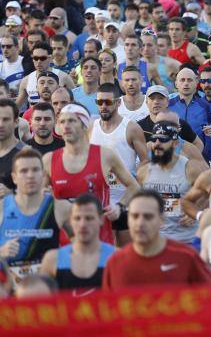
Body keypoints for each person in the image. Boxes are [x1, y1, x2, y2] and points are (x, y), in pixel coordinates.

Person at [44, 104, 141, 245]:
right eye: (62, 121)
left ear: (84, 125)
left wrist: (119, 207)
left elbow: (134, 186)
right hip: (64, 242)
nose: (66, 126)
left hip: (100, 239)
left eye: (72, 121)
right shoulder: (49, 160)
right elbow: (39, 198)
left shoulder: (105, 155)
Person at [102, 189, 211, 288]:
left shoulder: (187, 257)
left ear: (161, 220)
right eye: (134, 216)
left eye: (148, 217)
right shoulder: (115, 263)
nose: (140, 223)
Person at [0, 148, 70, 283]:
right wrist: (1, 251)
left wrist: (58, 258)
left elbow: (83, 247)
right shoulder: (2, 208)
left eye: (35, 170)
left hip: (47, 290)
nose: (30, 175)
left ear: (43, 174)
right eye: (24, 171)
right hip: (8, 293)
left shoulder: (60, 207)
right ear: (14, 177)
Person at [89, 82, 149, 238]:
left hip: (126, 201)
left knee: (125, 252)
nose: (103, 106)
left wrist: (137, 189)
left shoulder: (131, 128)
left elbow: (145, 163)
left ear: (118, 102)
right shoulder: (91, 127)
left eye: (108, 102)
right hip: (98, 202)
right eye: (99, 102)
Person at [137, 122, 208, 243]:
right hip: (156, 240)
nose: (157, 144)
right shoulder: (143, 171)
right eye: (154, 139)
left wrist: (196, 211)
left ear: (175, 143)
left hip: (187, 239)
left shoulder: (191, 168)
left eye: (163, 140)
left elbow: (210, 192)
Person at [40, 193, 115, 295]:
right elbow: (41, 303)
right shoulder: (52, 260)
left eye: (89, 218)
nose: (83, 224)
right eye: (77, 218)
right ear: (70, 220)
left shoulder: (116, 257)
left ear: (101, 219)